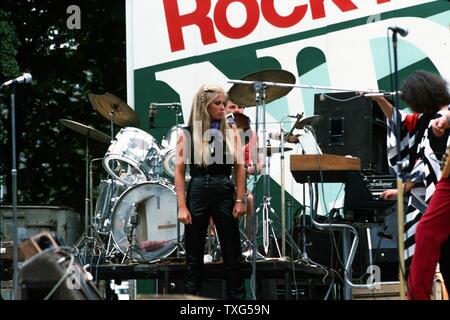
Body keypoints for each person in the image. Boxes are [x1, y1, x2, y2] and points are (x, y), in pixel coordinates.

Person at [372, 70, 450, 299]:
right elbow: (400, 124)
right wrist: (379, 99)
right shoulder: (425, 119)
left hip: (437, 195)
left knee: (425, 239)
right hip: (434, 194)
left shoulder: (440, 115)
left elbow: (432, 163)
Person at [175, 84, 246, 299]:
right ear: (204, 105)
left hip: (223, 187)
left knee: (232, 253)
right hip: (197, 188)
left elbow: (240, 167)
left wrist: (240, 199)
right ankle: (191, 301)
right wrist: (181, 206)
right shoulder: (186, 134)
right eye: (218, 103)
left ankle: (238, 302)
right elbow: (178, 172)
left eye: (224, 103)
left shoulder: (231, 132)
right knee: (193, 255)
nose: (223, 108)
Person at [407, 110, 450, 299]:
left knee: (428, 232)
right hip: (446, 179)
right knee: (427, 232)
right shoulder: (427, 119)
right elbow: (421, 161)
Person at [225, 97, 263, 251]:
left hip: (239, 186)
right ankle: (212, 244)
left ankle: (249, 245)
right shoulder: (216, 131)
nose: (237, 110)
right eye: (232, 107)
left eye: (240, 107)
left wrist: (246, 169)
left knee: (250, 199)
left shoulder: (251, 135)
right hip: (220, 182)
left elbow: (260, 166)